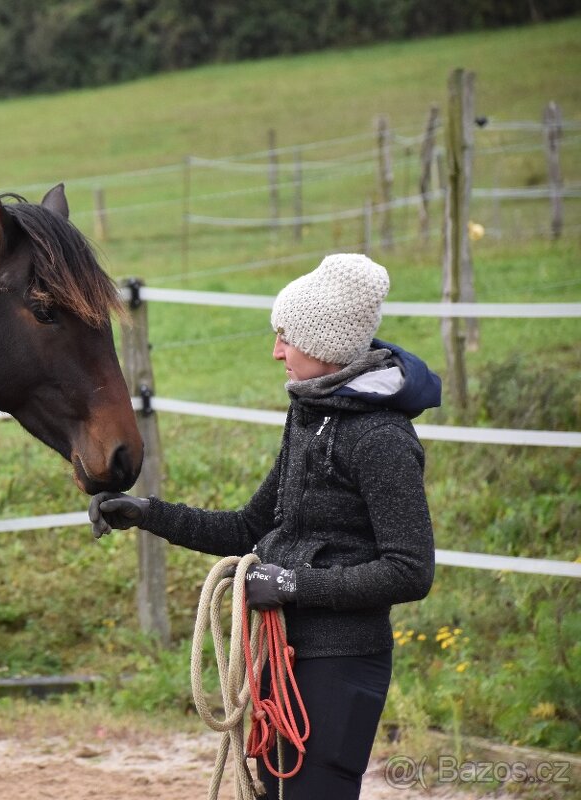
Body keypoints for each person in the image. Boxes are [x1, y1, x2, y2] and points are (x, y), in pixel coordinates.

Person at [89, 253, 439, 799]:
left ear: (324, 345)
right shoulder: (309, 412)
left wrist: (293, 584)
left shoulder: (381, 440)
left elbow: (410, 572)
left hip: (340, 663)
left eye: (286, 338)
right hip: (283, 657)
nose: (276, 351)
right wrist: (147, 513)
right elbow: (248, 527)